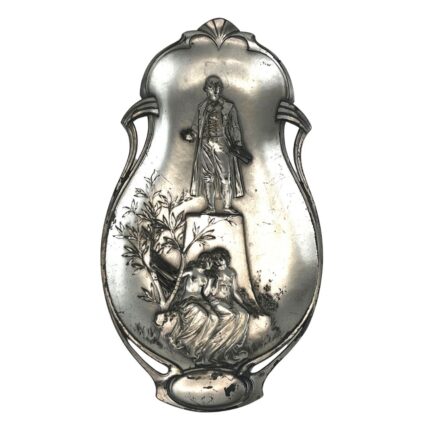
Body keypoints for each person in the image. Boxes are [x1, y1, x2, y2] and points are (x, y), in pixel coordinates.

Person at [181, 75, 252, 214]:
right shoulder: (202, 107)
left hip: (222, 143)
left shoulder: (229, 107)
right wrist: (191, 135)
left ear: (221, 89)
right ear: (206, 90)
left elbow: (235, 127)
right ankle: (210, 207)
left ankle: (227, 206)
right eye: (211, 87)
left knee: (225, 177)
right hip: (205, 144)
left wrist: (238, 145)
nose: (215, 90)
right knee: (207, 177)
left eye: (217, 87)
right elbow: (196, 127)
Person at [161, 252, 219, 363]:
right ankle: (185, 340)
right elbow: (175, 278)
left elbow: (205, 294)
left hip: (200, 301)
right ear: (205, 261)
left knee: (215, 318)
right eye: (210, 262)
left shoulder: (206, 277)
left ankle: (198, 344)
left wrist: (211, 282)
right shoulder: (191, 271)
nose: (212, 265)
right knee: (202, 315)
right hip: (187, 301)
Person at [202, 248, 250, 363]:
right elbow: (206, 293)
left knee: (244, 315)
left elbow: (235, 292)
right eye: (216, 260)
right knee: (231, 316)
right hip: (215, 301)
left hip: (228, 301)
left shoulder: (232, 272)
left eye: (221, 259)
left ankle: (230, 349)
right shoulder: (212, 273)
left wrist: (245, 305)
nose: (218, 262)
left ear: (226, 259)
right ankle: (213, 351)